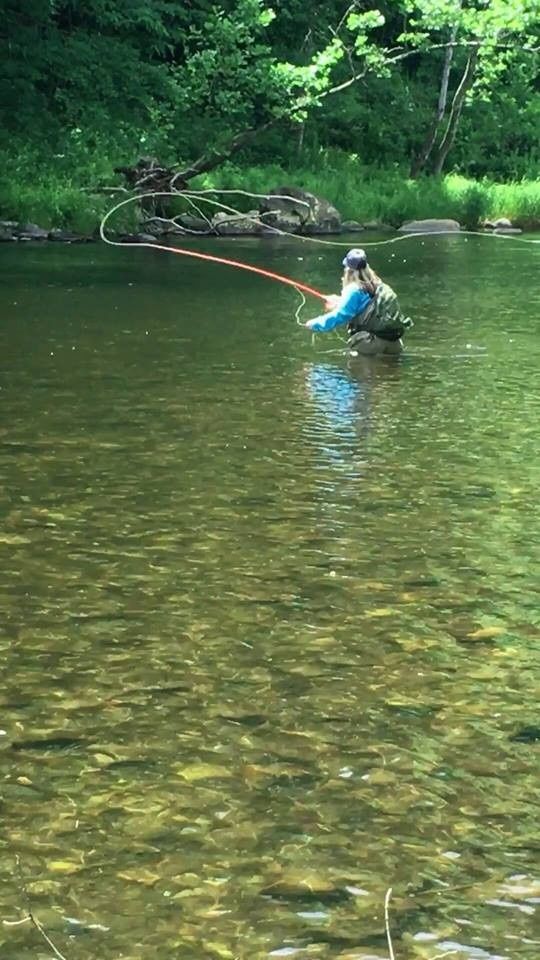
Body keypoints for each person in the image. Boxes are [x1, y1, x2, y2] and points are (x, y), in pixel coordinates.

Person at [305, 248, 412, 356]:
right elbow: (366, 306)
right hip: (395, 344)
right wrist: (339, 301)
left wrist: (315, 324)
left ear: (348, 270)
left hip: (371, 345)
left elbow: (341, 315)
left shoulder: (354, 289)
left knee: (357, 371)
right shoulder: (378, 285)